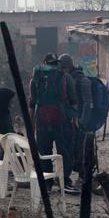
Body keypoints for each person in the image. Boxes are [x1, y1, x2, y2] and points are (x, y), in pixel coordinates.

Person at [30, 53, 78, 193]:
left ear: (44, 63)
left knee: (44, 151)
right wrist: (74, 119)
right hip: (61, 119)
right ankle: (65, 180)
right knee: (64, 150)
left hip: (41, 119)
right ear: (56, 62)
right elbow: (74, 101)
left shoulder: (36, 78)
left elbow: (32, 102)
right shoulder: (65, 76)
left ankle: (47, 182)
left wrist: (31, 122)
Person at [59, 53, 93, 183]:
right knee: (70, 149)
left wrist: (83, 121)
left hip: (80, 122)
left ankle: (83, 176)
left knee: (81, 150)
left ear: (67, 67)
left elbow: (87, 102)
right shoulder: (65, 79)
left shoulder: (82, 80)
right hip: (69, 121)